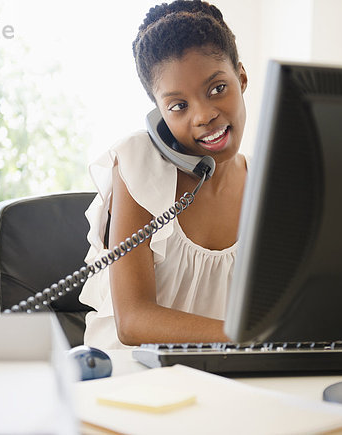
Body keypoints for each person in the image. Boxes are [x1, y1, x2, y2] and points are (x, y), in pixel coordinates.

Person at [79, 0, 248, 349]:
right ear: (159, 116)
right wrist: (252, 338)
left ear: (241, 79)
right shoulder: (139, 166)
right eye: (178, 106)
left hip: (225, 374)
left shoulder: (269, 184)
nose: (203, 116)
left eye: (217, 88)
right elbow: (133, 321)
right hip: (136, 376)